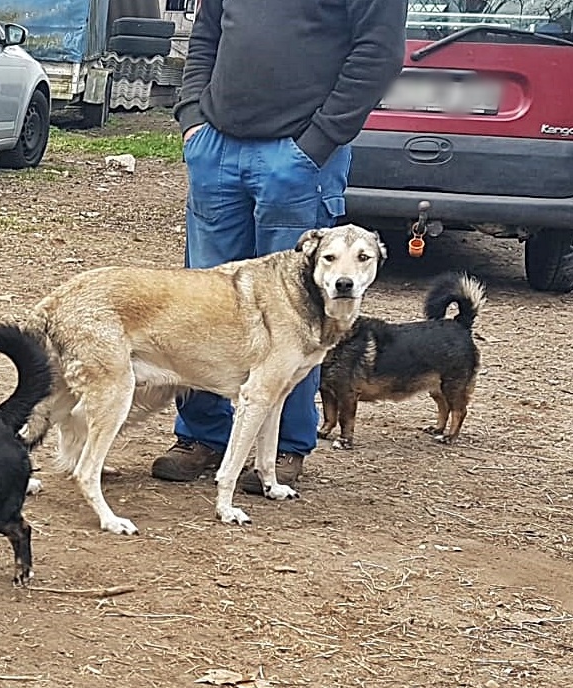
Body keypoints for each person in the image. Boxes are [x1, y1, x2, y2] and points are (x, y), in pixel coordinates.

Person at [152, 0, 407, 491]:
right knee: (202, 304)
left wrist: (318, 140)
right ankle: (202, 435)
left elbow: (377, 53)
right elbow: (206, 34)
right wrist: (193, 118)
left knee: (300, 311)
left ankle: (284, 446)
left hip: (298, 157)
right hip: (216, 147)